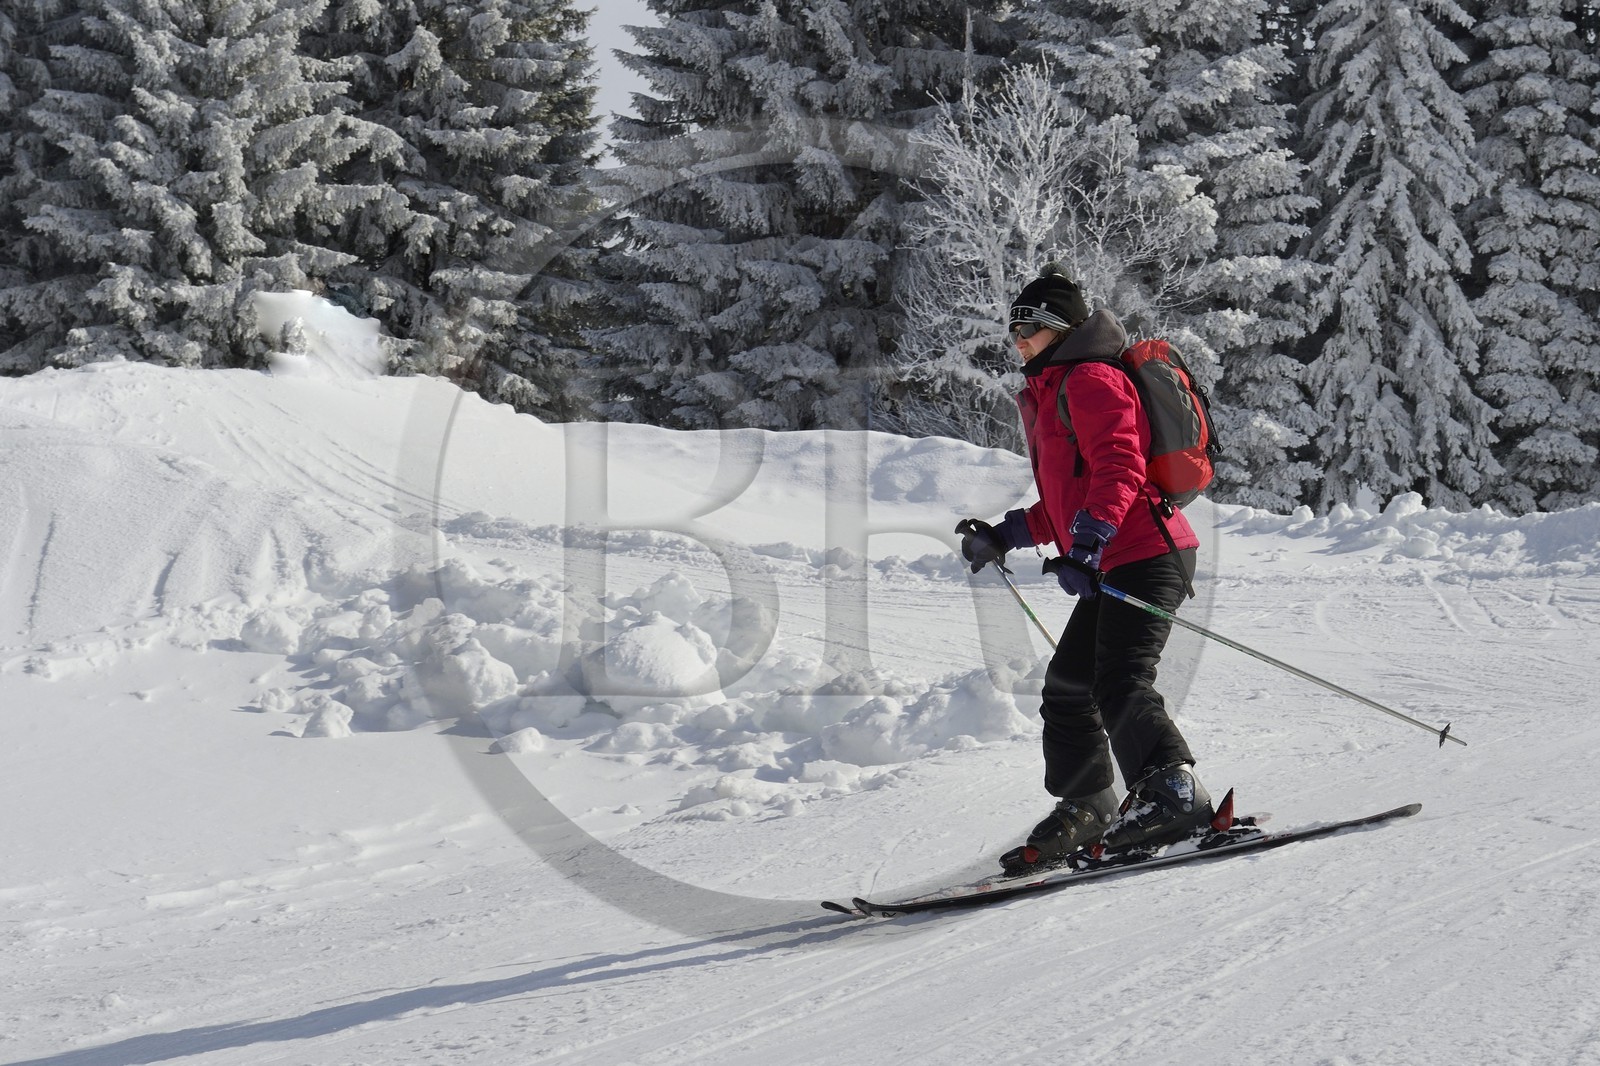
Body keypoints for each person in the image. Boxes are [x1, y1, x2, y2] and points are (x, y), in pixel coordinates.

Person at [958, 264, 1212, 873]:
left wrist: (1089, 544)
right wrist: (1005, 535)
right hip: (1113, 559)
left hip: (1148, 553)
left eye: (1030, 329)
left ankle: (1173, 792)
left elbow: (1120, 467)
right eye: (1014, 331)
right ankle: (1090, 805)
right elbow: (1065, 502)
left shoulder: (1092, 378)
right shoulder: (1055, 389)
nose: (1019, 341)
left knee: (1119, 678)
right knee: (1068, 687)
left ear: (1062, 329)